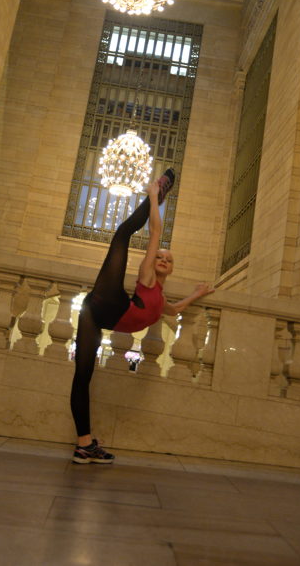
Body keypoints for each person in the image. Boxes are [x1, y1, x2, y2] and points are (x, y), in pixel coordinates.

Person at [70, 169, 215, 464]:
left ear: (171, 269)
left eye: (167, 259)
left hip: (96, 316)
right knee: (122, 235)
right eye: (159, 256)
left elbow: (175, 310)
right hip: (109, 303)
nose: (161, 259)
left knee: (83, 377)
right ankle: (157, 191)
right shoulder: (147, 277)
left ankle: (84, 446)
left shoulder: (160, 299)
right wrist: (153, 197)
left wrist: (198, 294)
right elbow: (156, 233)